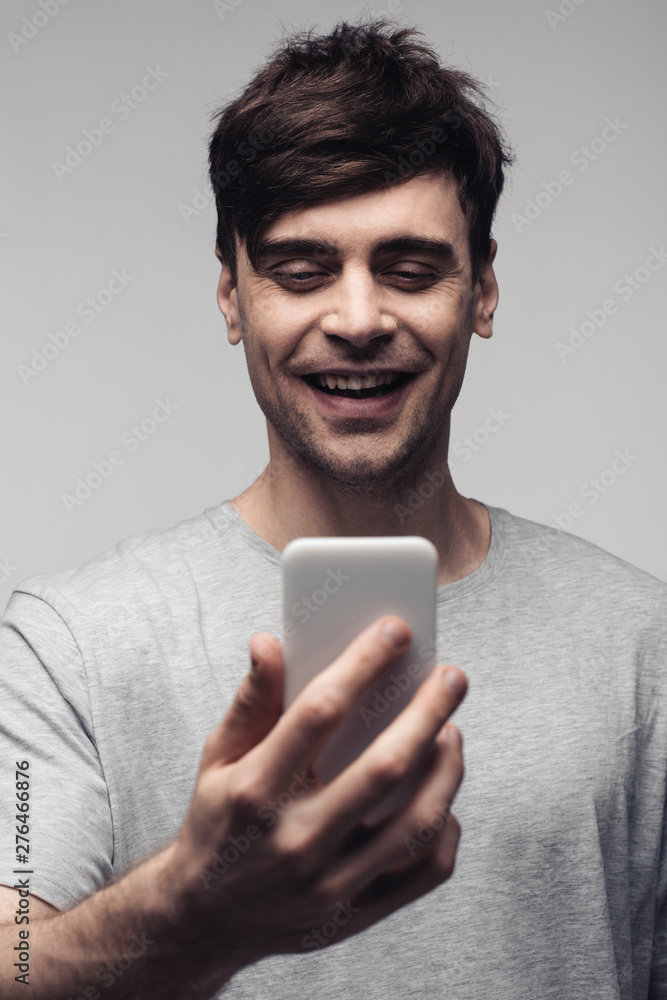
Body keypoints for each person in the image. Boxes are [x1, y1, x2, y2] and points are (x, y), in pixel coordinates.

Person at [1, 16, 665, 1000]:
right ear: (230, 297)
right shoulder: (68, 644)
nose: (357, 320)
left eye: (409, 268)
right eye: (300, 270)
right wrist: (192, 915)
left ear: (481, 288)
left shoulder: (638, 643)